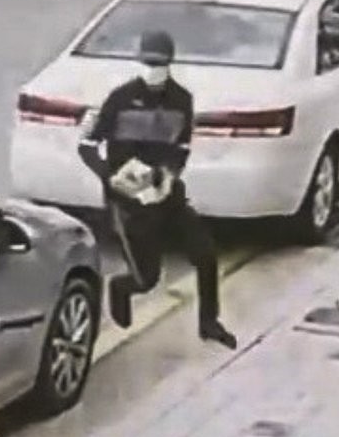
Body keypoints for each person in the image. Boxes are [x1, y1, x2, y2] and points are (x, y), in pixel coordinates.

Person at [77, 30, 237, 350]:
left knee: (205, 254)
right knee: (146, 278)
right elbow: (87, 146)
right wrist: (110, 177)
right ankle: (122, 288)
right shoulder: (119, 99)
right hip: (128, 202)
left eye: (160, 63)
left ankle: (209, 322)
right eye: (149, 63)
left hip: (166, 194)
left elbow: (182, 147)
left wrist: (169, 175)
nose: (154, 69)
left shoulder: (182, 100)